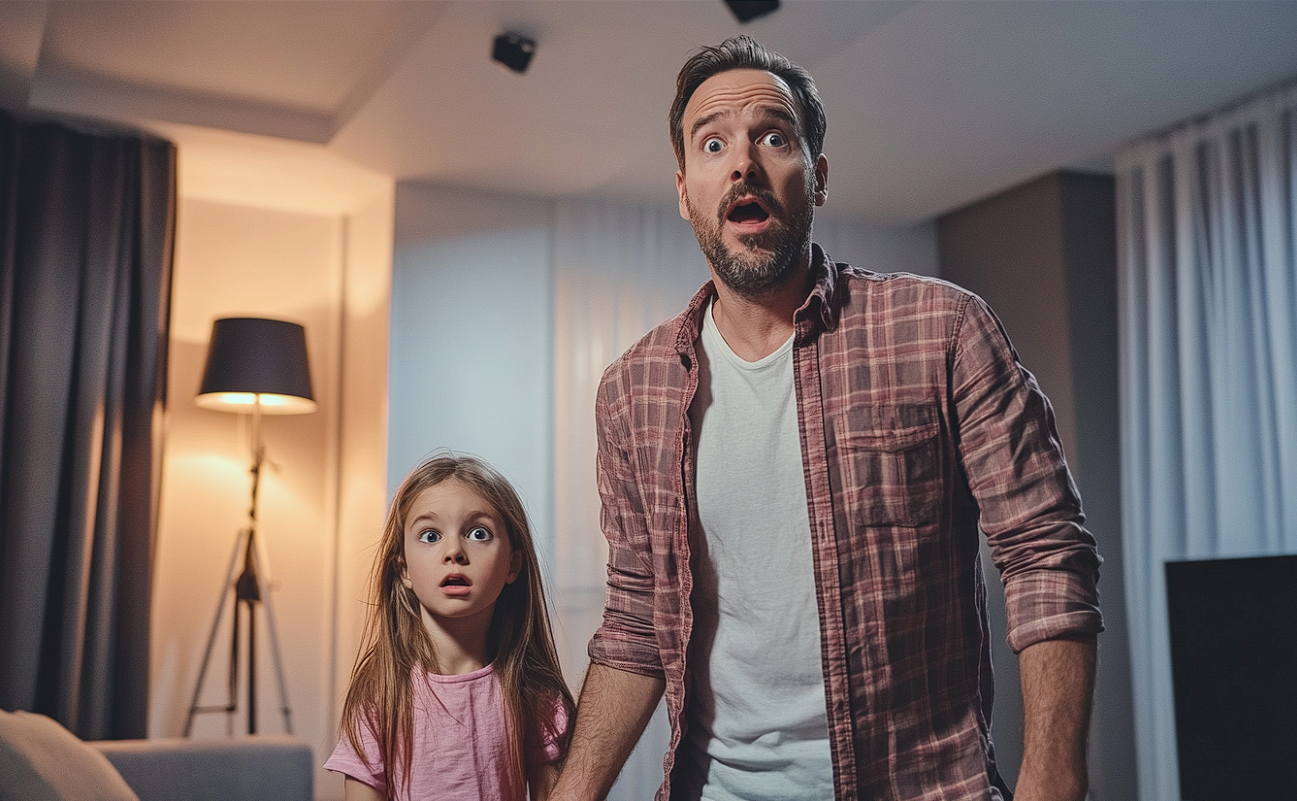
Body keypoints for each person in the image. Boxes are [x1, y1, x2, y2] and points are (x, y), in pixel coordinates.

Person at [550, 36, 1103, 801]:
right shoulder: (631, 389)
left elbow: (1044, 549)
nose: (741, 162)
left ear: (816, 177)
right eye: (712, 143)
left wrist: (1053, 776)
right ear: (684, 190)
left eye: (772, 136)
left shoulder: (940, 329)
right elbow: (639, 616)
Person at [326, 453, 575, 801]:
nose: (454, 551)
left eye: (478, 533)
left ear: (513, 565)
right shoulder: (381, 692)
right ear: (404, 570)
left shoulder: (534, 694)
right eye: (430, 536)